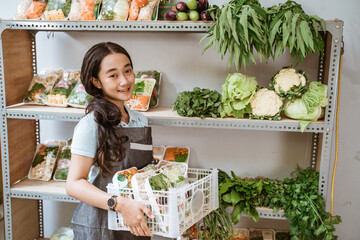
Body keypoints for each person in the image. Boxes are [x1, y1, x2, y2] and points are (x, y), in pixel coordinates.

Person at [66, 42, 154, 240]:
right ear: (97, 82)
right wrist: (120, 204)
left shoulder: (140, 119)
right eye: (113, 75)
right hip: (100, 224)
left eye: (128, 71)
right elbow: (73, 184)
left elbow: (138, 167)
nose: (124, 81)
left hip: (134, 220)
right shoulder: (91, 124)